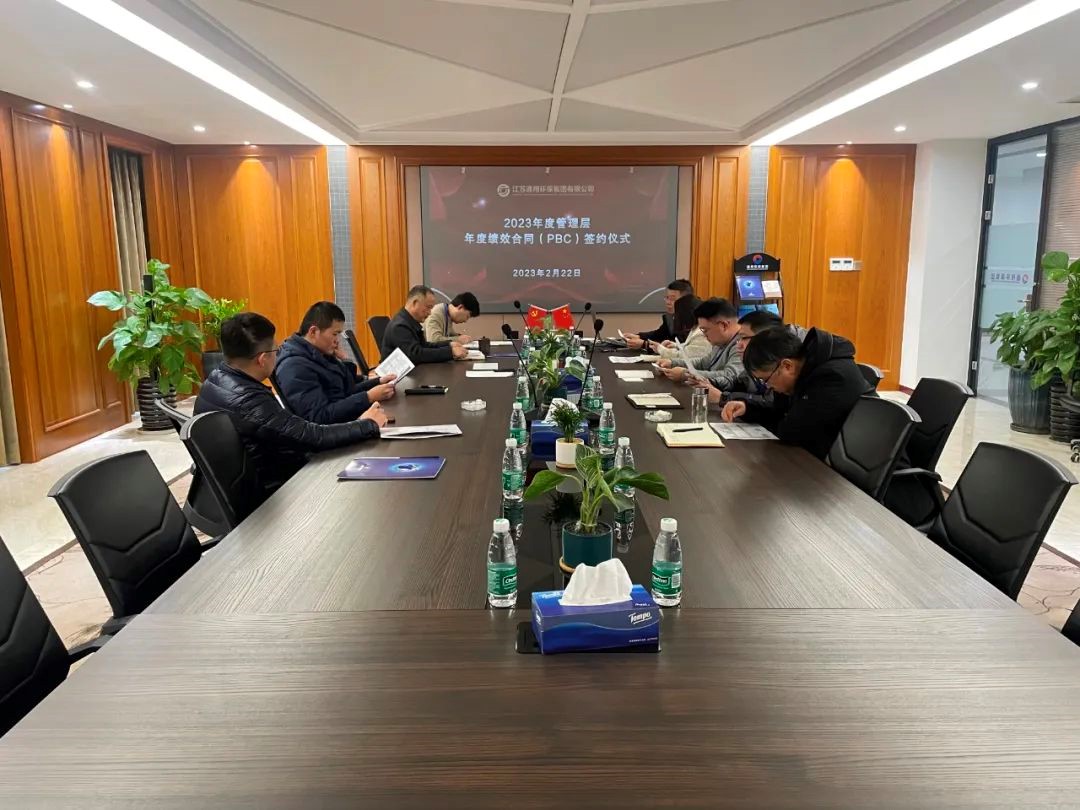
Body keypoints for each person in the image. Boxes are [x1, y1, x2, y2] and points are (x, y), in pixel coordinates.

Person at [195, 312, 387, 504]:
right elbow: (312, 436)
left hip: (244, 486)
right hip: (274, 495)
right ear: (262, 359)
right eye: (275, 350)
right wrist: (367, 424)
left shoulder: (214, 380)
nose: (278, 355)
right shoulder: (250, 402)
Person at [721, 326, 872, 459]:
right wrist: (747, 408)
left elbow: (790, 432)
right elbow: (779, 411)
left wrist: (777, 416)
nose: (767, 387)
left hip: (842, 472)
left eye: (765, 380)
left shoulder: (831, 377)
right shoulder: (803, 369)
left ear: (787, 366)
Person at [275, 301, 397, 424]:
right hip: (339, 429)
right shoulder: (294, 366)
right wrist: (368, 397)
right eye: (335, 334)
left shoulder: (317, 352)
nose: (337, 341)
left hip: (346, 422)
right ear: (313, 332)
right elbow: (319, 417)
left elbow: (346, 388)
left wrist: (378, 382)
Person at [655, 297, 743, 390]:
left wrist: (685, 374)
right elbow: (703, 363)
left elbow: (729, 376)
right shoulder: (721, 341)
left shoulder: (742, 345)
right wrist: (672, 363)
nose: (704, 335)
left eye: (705, 330)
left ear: (723, 325)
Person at [382, 285, 468, 363]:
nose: (430, 313)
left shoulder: (409, 321)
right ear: (415, 303)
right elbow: (416, 355)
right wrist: (450, 352)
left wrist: (448, 344)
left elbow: (424, 345)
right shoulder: (400, 326)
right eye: (428, 307)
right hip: (397, 374)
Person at [623, 279, 694, 349]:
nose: (668, 302)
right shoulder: (670, 317)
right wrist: (639, 336)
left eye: (672, 299)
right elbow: (659, 334)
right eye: (667, 298)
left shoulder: (693, 320)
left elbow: (679, 347)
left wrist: (645, 344)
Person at [644, 295, 711, 364]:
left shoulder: (701, 333)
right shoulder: (695, 328)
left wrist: (661, 349)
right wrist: (676, 346)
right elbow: (691, 349)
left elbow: (683, 357)